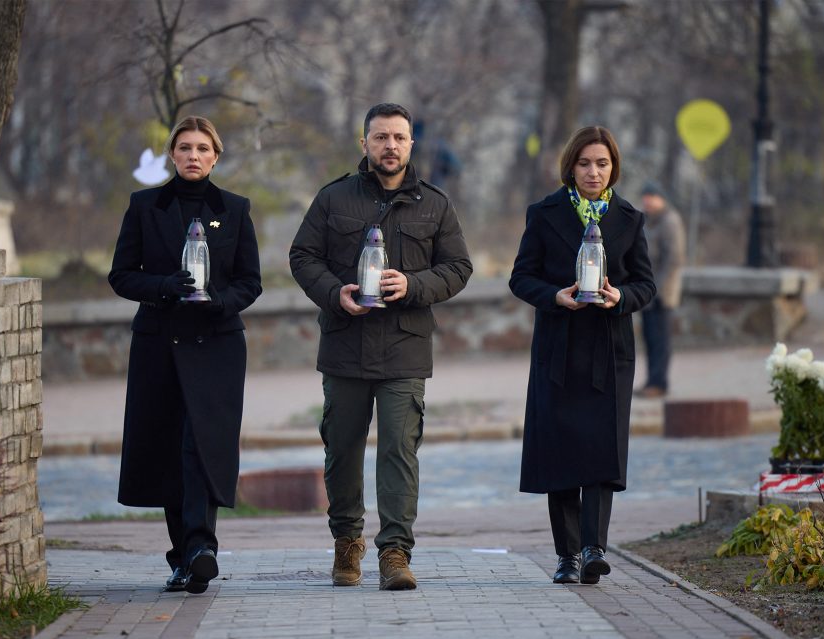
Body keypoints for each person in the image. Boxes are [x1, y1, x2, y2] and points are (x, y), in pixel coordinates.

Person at [289, 102, 472, 590]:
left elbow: (458, 268)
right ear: (364, 143)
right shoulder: (333, 199)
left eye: (398, 137)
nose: (390, 146)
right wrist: (335, 292)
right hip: (345, 345)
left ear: (412, 144)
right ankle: (347, 544)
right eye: (380, 137)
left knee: (398, 450)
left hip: (405, 348)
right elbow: (302, 255)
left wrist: (412, 285)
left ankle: (395, 554)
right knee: (342, 451)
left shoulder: (435, 204)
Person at [108, 116, 262, 594]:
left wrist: (219, 301)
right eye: (184, 148)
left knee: (202, 445)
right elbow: (121, 275)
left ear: (216, 156)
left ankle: (201, 547)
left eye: (203, 148)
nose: (193, 156)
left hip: (216, 344)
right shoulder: (144, 206)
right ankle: (183, 555)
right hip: (159, 343)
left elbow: (250, 282)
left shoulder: (235, 209)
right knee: (168, 448)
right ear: (171, 154)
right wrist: (162, 287)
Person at [509, 126, 655, 585]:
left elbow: (645, 285)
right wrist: (555, 296)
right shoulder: (544, 213)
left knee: (601, 450)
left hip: (609, 352)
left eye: (603, 163)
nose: (594, 172)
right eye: (586, 163)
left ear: (614, 168)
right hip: (559, 350)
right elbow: (520, 277)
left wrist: (620, 297)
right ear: (571, 166)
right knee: (561, 454)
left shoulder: (630, 218)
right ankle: (566, 556)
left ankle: (594, 547)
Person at [637, 182, 685, 398]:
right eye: (645, 197)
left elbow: (673, 259)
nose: (647, 201)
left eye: (651, 196)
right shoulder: (647, 222)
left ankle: (659, 383)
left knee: (660, 341)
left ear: (661, 199)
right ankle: (651, 382)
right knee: (649, 339)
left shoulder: (670, 221)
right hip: (648, 293)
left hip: (662, 294)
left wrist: (657, 288)